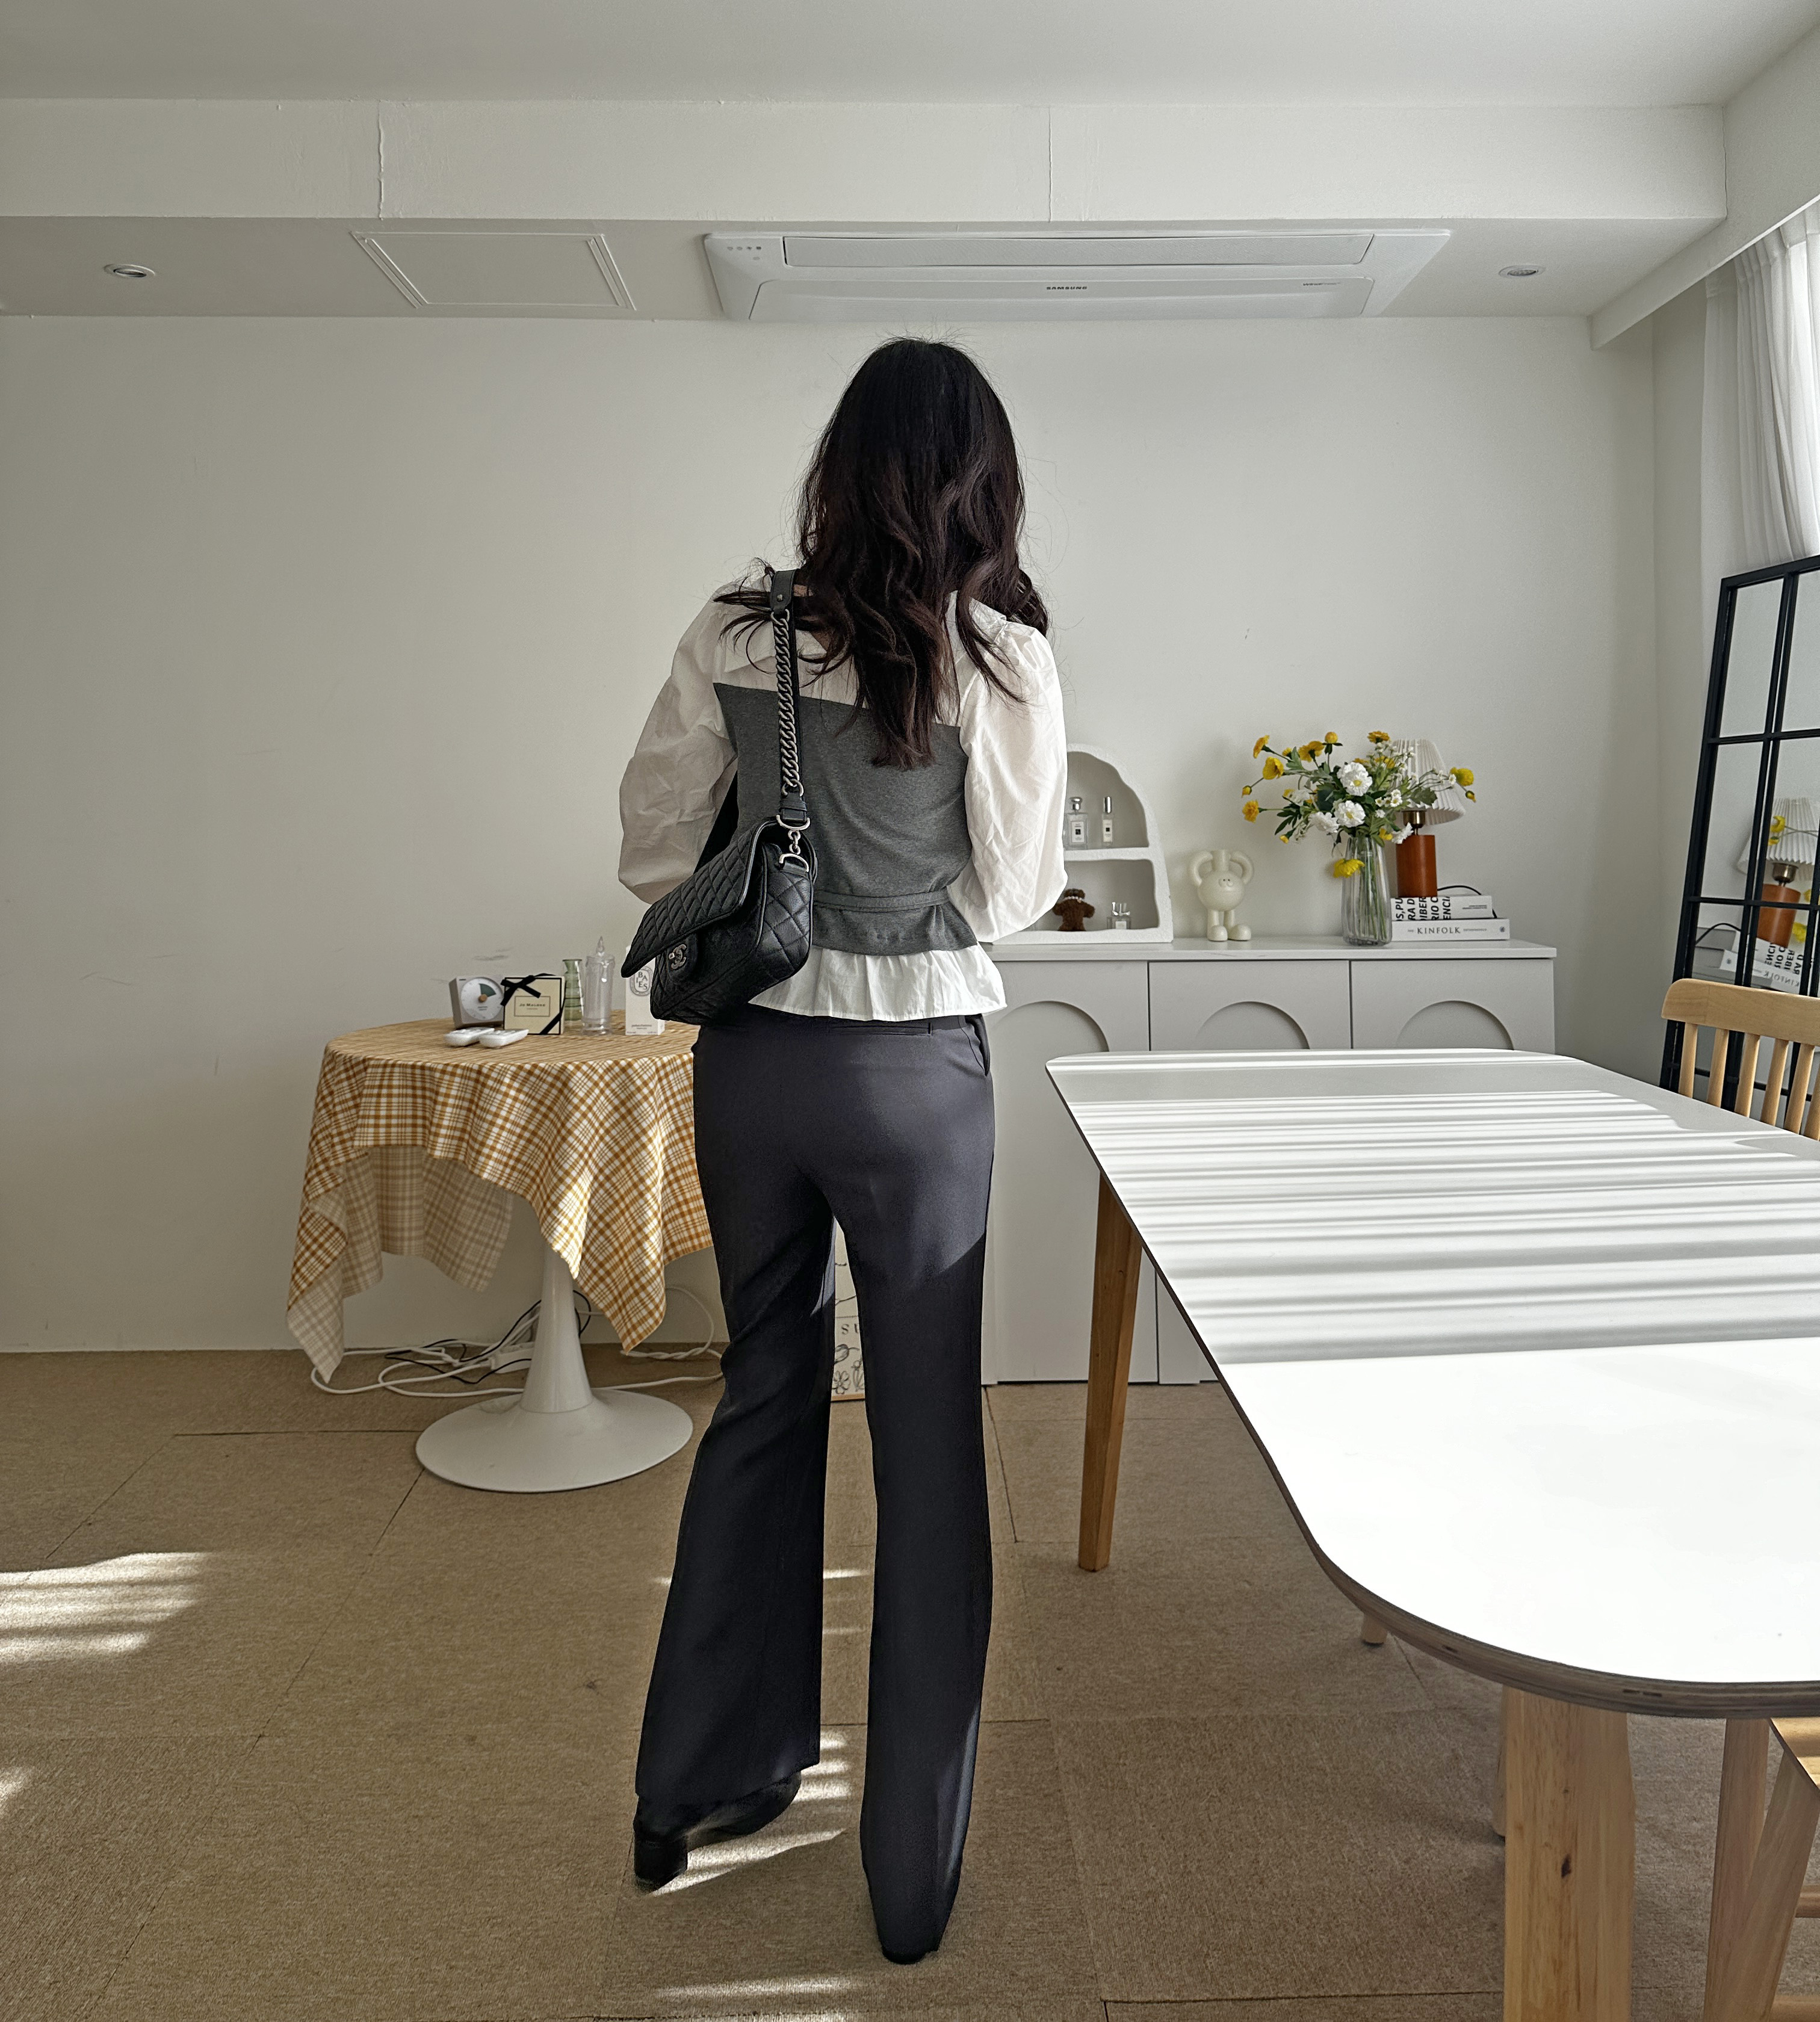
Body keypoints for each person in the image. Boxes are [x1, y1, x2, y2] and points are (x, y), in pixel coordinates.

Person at [617, 337, 1068, 1964]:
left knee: (762, 1394)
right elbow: (1012, 891)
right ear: (980, 482)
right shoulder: (998, 654)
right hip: (915, 1082)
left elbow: (652, 849)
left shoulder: (735, 629)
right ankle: (907, 1875)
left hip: (751, 1067)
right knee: (928, 1442)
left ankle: (700, 1786)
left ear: (837, 468)